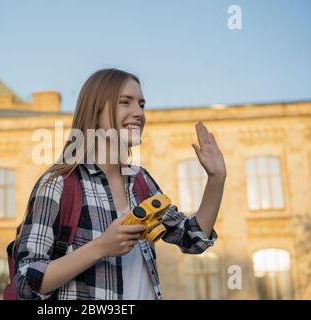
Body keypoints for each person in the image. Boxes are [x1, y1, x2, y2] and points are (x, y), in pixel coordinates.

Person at [13, 68, 226, 300]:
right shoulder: (58, 184)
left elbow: (193, 238)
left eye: (142, 105)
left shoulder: (140, 181)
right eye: (125, 102)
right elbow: (26, 281)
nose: (138, 113)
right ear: (95, 112)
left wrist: (216, 179)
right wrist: (101, 247)